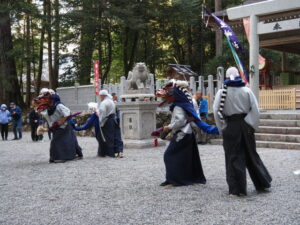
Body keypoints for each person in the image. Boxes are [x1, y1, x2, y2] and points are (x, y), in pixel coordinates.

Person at [213, 67, 272, 197]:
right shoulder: (246, 90)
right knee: (251, 154)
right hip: (245, 124)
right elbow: (255, 109)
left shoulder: (222, 92)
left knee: (233, 157)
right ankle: (262, 182)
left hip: (230, 126)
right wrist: (251, 124)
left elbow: (216, 111)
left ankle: (237, 189)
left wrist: (222, 127)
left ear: (227, 77)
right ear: (238, 76)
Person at [156, 80, 219, 187]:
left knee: (169, 155)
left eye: (168, 97)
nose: (166, 99)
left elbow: (180, 121)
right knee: (185, 157)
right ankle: (181, 178)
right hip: (187, 132)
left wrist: (168, 127)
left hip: (182, 133)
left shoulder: (178, 106)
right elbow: (189, 117)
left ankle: (174, 179)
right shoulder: (186, 103)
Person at [34, 91, 83, 163]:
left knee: (55, 141)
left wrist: (61, 121)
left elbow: (68, 112)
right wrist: (39, 112)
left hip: (65, 126)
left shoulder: (59, 105)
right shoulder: (48, 108)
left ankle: (57, 157)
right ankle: (76, 155)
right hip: (57, 127)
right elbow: (47, 116)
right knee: (71, 141)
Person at [98, 90, 124, 158]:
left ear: (103, 95)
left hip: (107, 120)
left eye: (100, 96)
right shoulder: (111, 101)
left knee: (109, 137)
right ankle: (119, 151)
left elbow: (103, 113)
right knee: (116, 136)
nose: (100, 97)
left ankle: (111, 153)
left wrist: (100, 121)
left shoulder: (103, 103)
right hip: (113, 119)